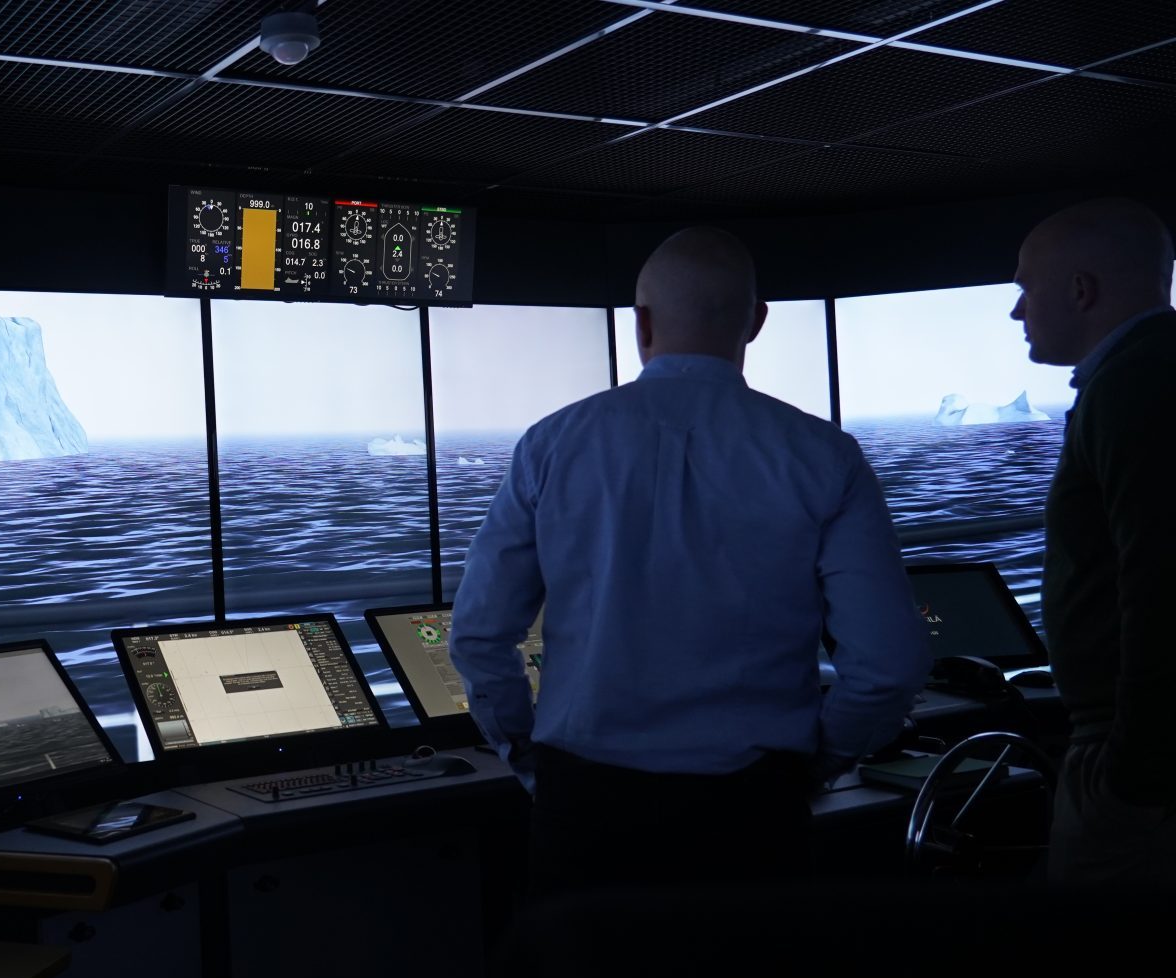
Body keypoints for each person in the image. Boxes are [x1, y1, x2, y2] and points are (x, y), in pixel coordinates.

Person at [450, 227, 930, 897]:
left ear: (640, 322)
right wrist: (821, 760)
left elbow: (478, 636)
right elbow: (887, 664)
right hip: (752, 811)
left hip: (586, 805)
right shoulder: (825, 456)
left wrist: (529, 758)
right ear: (757, 322)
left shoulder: (551, 446)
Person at [1013, 197, 1176, 887]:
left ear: (1080, 291)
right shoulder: (1149, 371)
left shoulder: (1134, 384)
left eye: (1025, 289)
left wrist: (1132, 773)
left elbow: (1160, 582)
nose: (1017, 312)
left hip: (1132, 755)